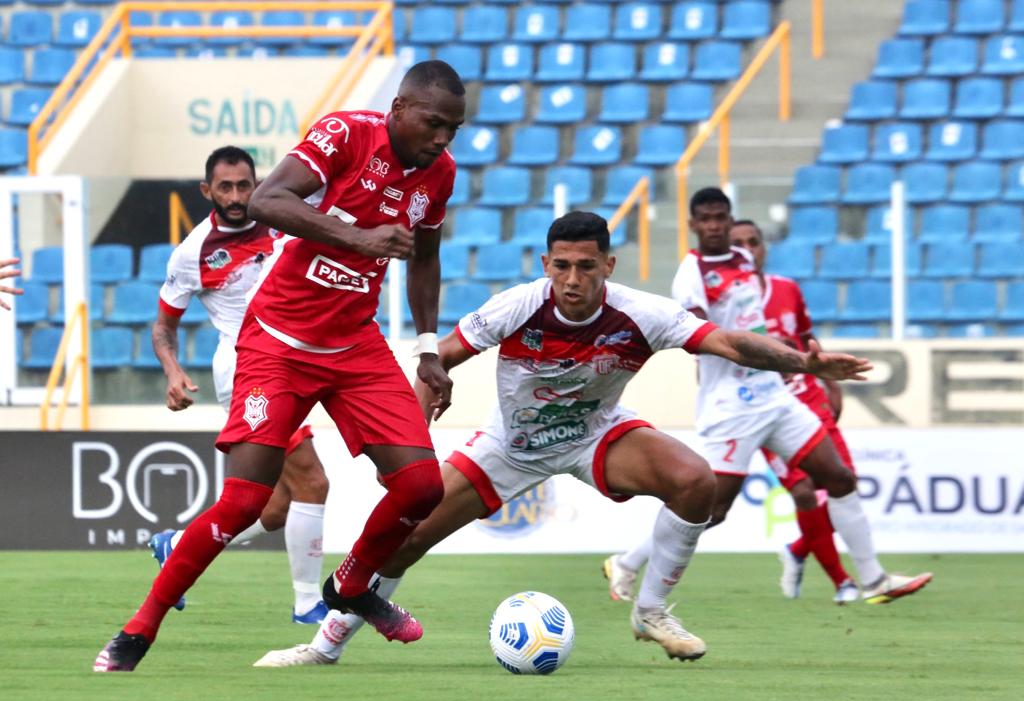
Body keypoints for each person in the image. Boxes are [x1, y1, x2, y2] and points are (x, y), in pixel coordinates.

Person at [251, 210, 872, 668]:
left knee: (697, 483)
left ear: (608, 265)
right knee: (405, 537)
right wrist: (421, 410)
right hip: (508, 447)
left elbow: (729, 343)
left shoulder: (641, 314)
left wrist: (804, 363)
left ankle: (651, 610)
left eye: (585, 266)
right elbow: (435, 358)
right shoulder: (518, 307)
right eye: (561, 266)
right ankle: (324, 645)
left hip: (595, 435)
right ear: (546, 265)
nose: (572, 280)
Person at [94, 60, 466, 672]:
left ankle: (348, 587)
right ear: (399, 108)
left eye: (454, 128)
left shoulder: (439, 173)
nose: (443, 139)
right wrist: (361, 241)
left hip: (355, 343)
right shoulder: (346, 134)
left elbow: (426, 257)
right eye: (433, 123)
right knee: (244, 502)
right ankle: (139, 628)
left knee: (422, 485)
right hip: (277, 341)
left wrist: (427, 347)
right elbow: (269, 199)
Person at [604, 189, 931, 609]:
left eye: (721, 217)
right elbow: (701, 339)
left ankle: (872, 578)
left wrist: (789, 361)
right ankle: (628, 563)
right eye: (706, 219)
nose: (715, 226)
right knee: (711, 510)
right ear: (693, 224)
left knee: (839, 478)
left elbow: (753, 325)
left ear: (729, 218)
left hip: (773, 397)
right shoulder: (692, 274)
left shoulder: (742, 261)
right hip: (730, 407)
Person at [148, 146, 330, 623]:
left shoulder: (281, 219)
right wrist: (172, 370)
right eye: (224, 187)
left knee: (275, 508)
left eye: (243, 185)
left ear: (257, 184)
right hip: (247, 366)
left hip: (288, 359)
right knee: (313, 480)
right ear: (207, 190)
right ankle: (310, 603)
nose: (235, 196)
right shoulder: (193, 252)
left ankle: (176, 543)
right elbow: (163, 326)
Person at [734, 219, 857, 604]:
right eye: (739, 243)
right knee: (804, 491)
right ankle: (843, 582)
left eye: (754, 242)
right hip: (763, 406)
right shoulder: (724, 299)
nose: (747, 249)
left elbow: (808, 340)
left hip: (808, 401)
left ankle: (799, 549)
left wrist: (831, 385)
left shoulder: (787, 289)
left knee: (840, 486)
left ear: (763, 248)